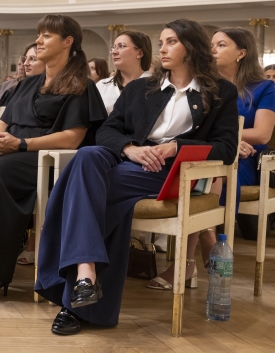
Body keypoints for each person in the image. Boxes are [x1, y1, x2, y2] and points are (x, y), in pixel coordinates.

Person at [35, 19, 240, 336]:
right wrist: (129, 148)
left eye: (171, 41)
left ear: (191, 47)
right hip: (129, 162)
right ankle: (86, 274)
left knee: (76, 190)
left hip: (174, 172)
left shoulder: (220, 92)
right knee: (87, 157)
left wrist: (176, 147)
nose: (162, 48)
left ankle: (78, 290)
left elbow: (226, 148)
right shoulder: (140, 88)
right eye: (161, 42)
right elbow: (105, 131)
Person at [0, 15, 106, 301]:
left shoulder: (81, 85)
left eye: (46, 36)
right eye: (39, 35)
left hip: (45, 156)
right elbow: (4, 123)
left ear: (67, 42)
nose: (38, 41)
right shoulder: (28, 84)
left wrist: (21, 144)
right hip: (12, 147)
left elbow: (72, 138)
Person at [147, 29, 275, 290]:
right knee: (204, 171)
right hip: (207, 155)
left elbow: (262, 134)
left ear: (242, 53)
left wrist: (230, 140)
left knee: (212, 172)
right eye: (211, 44)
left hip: (245, 159)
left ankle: (185, 263)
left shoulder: (264, 87)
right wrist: (222, 142)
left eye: (221, 44)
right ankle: (207, 240)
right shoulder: (202, 85)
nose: (213, 49)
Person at [95, 31, 153, 114]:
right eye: (113, 47)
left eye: (121, 46)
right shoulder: (102, 85)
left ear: (140, 53)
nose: (114, 52)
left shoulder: (156, 86)